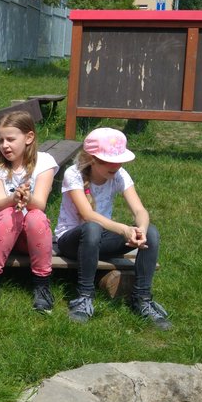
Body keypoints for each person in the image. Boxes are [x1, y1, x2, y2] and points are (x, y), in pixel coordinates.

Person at [55, 127, 171, 330]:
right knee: (92, 227)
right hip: (71, 242)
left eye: (119, 160)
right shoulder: (73, 174)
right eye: (109, 160)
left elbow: (140, 210)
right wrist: (123, 230)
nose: (116, 166)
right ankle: (84, 297)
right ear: (92, 159)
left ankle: (141, 299)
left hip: (100, 240)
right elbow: (88, 215)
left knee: (151, 232)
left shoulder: (119, 175)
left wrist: (141, 230)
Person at [0, 110, 58, 313]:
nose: (4, 145)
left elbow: (40, 204)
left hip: (28, 234)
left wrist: (28, 199)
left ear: (29, 137)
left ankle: (42, 285)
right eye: (1, 140)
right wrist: (14, 199)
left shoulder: (44, 162)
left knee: (37, 217)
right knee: (9, 214)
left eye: (10, 139)